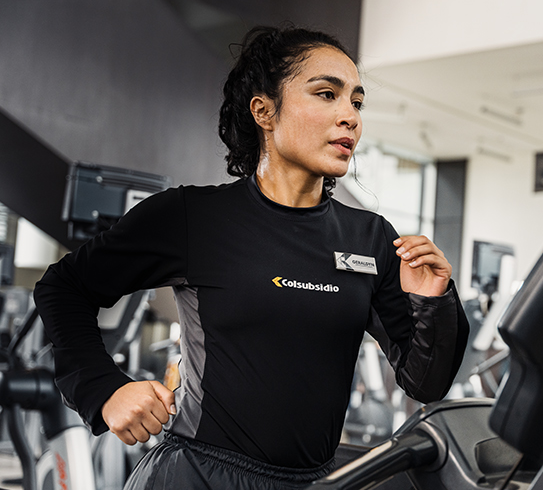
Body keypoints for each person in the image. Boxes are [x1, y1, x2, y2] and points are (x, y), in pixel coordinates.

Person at [34, 25, 469, 489]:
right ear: (264, 110)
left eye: (357, 103)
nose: (349, 117)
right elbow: (64, 288)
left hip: (314, 482)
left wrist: (434, 302)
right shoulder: (194, 217)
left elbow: (426, 383)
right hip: (199, 476)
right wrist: (104, 389)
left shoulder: (371, 238)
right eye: (327, 94)